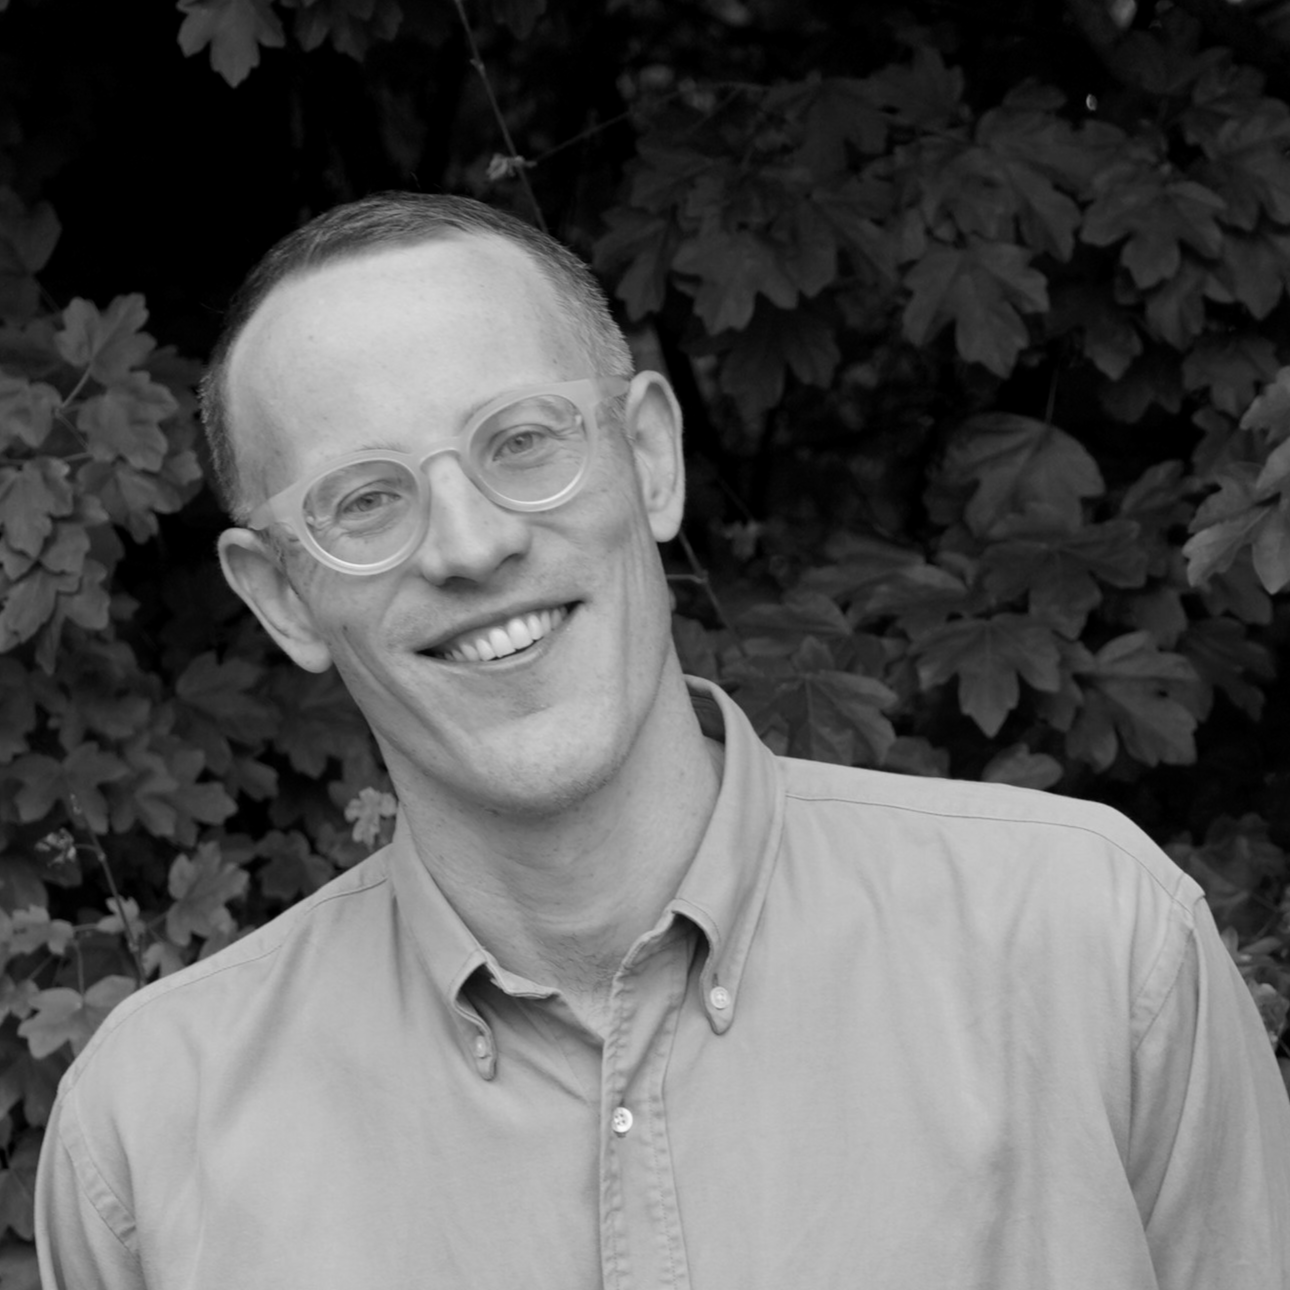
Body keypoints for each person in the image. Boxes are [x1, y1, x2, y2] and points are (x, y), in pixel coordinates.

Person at [34, 191, 1290, 1290]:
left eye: (521, 444)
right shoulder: (150, 1137)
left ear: (649, 457)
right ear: (280, 595)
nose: (471, 545)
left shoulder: (1091, 945)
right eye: (366, 500)